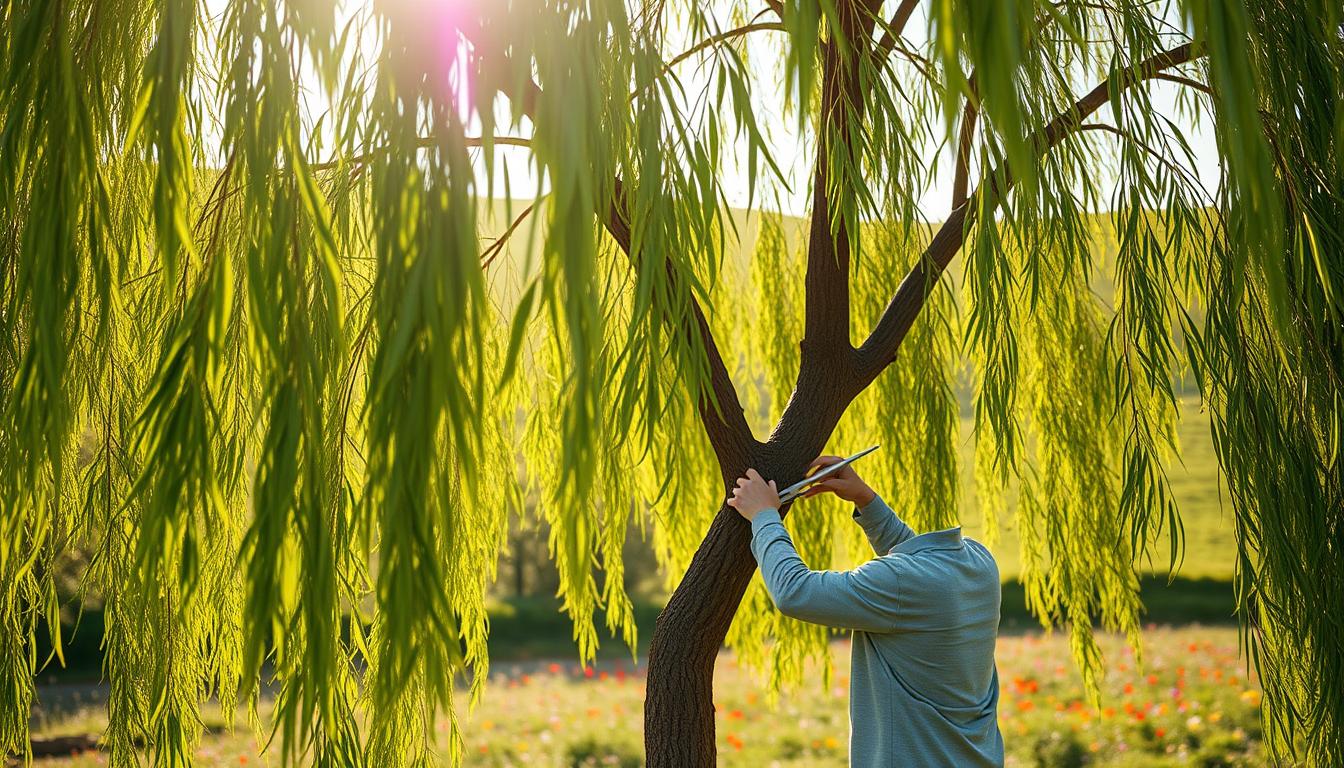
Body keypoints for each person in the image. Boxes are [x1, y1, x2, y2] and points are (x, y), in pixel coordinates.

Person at [727, 458, 1004, 768]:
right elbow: (918, 569)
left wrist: (764, 516)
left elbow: (795, 592)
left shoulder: (904, 582)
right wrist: (867, 501)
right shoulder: (979, 562)